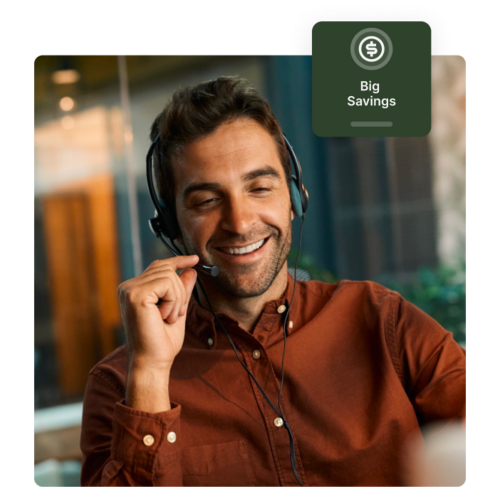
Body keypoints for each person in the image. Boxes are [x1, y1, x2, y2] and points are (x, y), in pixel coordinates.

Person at [80, 76, 467, 487]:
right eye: (207, 201)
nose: (241, 221)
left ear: (295, 196)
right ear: (172, 227)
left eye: (260, 187)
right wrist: (151, 374)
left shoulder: (384, 321)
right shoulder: (121, 384)